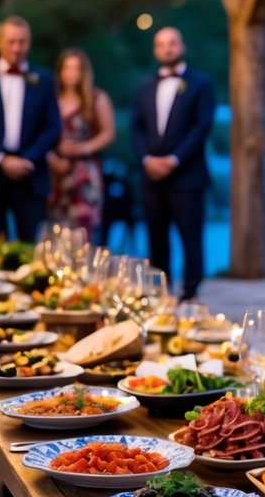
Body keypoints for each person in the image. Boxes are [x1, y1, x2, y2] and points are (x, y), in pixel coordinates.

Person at [130, 26, 215, 297]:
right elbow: (136, 128)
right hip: (151, 177)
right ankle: (161, 293)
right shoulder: (144, 86)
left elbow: (202, 126)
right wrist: (147, 159)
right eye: (161, 44)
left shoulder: (201, 83)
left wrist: (174, 159)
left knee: (190, 238)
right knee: (156, 238)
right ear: (156, 50)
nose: (167, 48)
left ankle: (190, 293)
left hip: (187, 175)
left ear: (182, 46)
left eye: (172, 43)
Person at [0, 16, 61, 242]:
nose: (17, 47)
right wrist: (1, 157)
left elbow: (52, 126)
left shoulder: (43, 79)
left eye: (23, 41)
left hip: (30, 173)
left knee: (31, 246)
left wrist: (27, 159)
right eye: (12, 41)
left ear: (29, 43)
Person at [47, 48, 116, 238]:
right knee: (54, 231)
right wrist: (51, 158)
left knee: (82, 232)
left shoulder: (96, 98)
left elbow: (108, 133)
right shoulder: (51, 99)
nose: (71, 73)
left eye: (77, 68)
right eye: (67, 68)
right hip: (55, 172)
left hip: (84, 174)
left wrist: (83, 148)